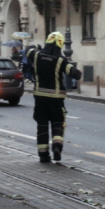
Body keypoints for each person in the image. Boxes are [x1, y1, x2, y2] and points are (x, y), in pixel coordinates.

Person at [33, 32, 82, 163]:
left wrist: (37, 45)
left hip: (40, 98)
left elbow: (27, 50)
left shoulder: (36, 55)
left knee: (42, 125)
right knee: (58, 123)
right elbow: (76, 74)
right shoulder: (61, 60)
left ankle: (43, 155)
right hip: (56, 99)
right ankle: (57, 146)